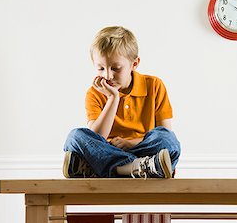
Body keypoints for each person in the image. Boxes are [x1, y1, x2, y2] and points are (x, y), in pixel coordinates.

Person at [63, 26, 181, 178]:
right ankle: (134, 168)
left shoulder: (154, 85)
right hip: (107, 151)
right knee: (75, 137)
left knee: (168, 140)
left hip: (143, 151)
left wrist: (132, 143)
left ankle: (111, 169)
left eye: (116, 68)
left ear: (134, 64)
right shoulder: (94, 93)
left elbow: (165, 132)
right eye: (100, 68)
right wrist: (113, 98)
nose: (108, 76)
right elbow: (97, 137)